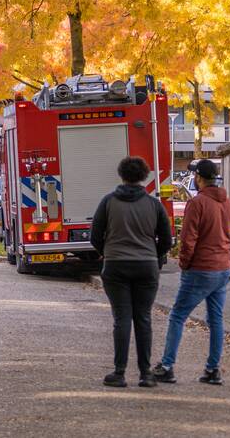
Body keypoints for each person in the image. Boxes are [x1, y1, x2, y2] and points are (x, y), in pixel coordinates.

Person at [153, 158, 230, 385]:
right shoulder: (229, 203)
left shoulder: (197, 203)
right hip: (222, 269)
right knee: (216, 319)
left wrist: (184, 263)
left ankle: (167, 365)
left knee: (178, 315)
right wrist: (229, 259)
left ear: (199, 178)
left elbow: (188, 238)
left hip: (201, 268)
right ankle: (213, 369)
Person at [90, 156, 173, 388]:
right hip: (146, 266)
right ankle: (146, 374)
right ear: (144, 177)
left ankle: (119, 372)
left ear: (121, 175)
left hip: (116, 265)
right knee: (144, 318)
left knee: (122, 319)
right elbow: (167, 239)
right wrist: (152, 255)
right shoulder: (154, 205)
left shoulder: (108, 202)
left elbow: (94, 235)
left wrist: (106, 251)